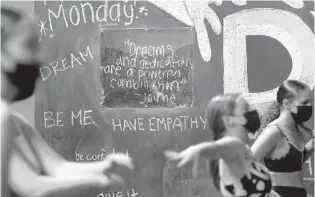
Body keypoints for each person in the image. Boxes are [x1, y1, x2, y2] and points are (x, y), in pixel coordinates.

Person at [1, 6, 134, 197]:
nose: (41, 57)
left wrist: (104, 167)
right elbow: (32, 188)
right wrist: (98, 182)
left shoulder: (16, 122)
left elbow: (59, 168)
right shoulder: (2, 116)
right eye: (29, 45)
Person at [164, 93, 272, 197]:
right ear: (228, 120)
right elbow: (222, 147)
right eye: (245, 108)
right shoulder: (235, 145)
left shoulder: (244, 149)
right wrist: (197, 149)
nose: (252, 110)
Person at [251, 80, 314, 197]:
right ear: (286, 104)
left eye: (311, 102)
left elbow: (291, 163)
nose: (310, 106)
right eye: (305, 102)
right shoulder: (274, 131)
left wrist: (312, 145)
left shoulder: (295, 129)